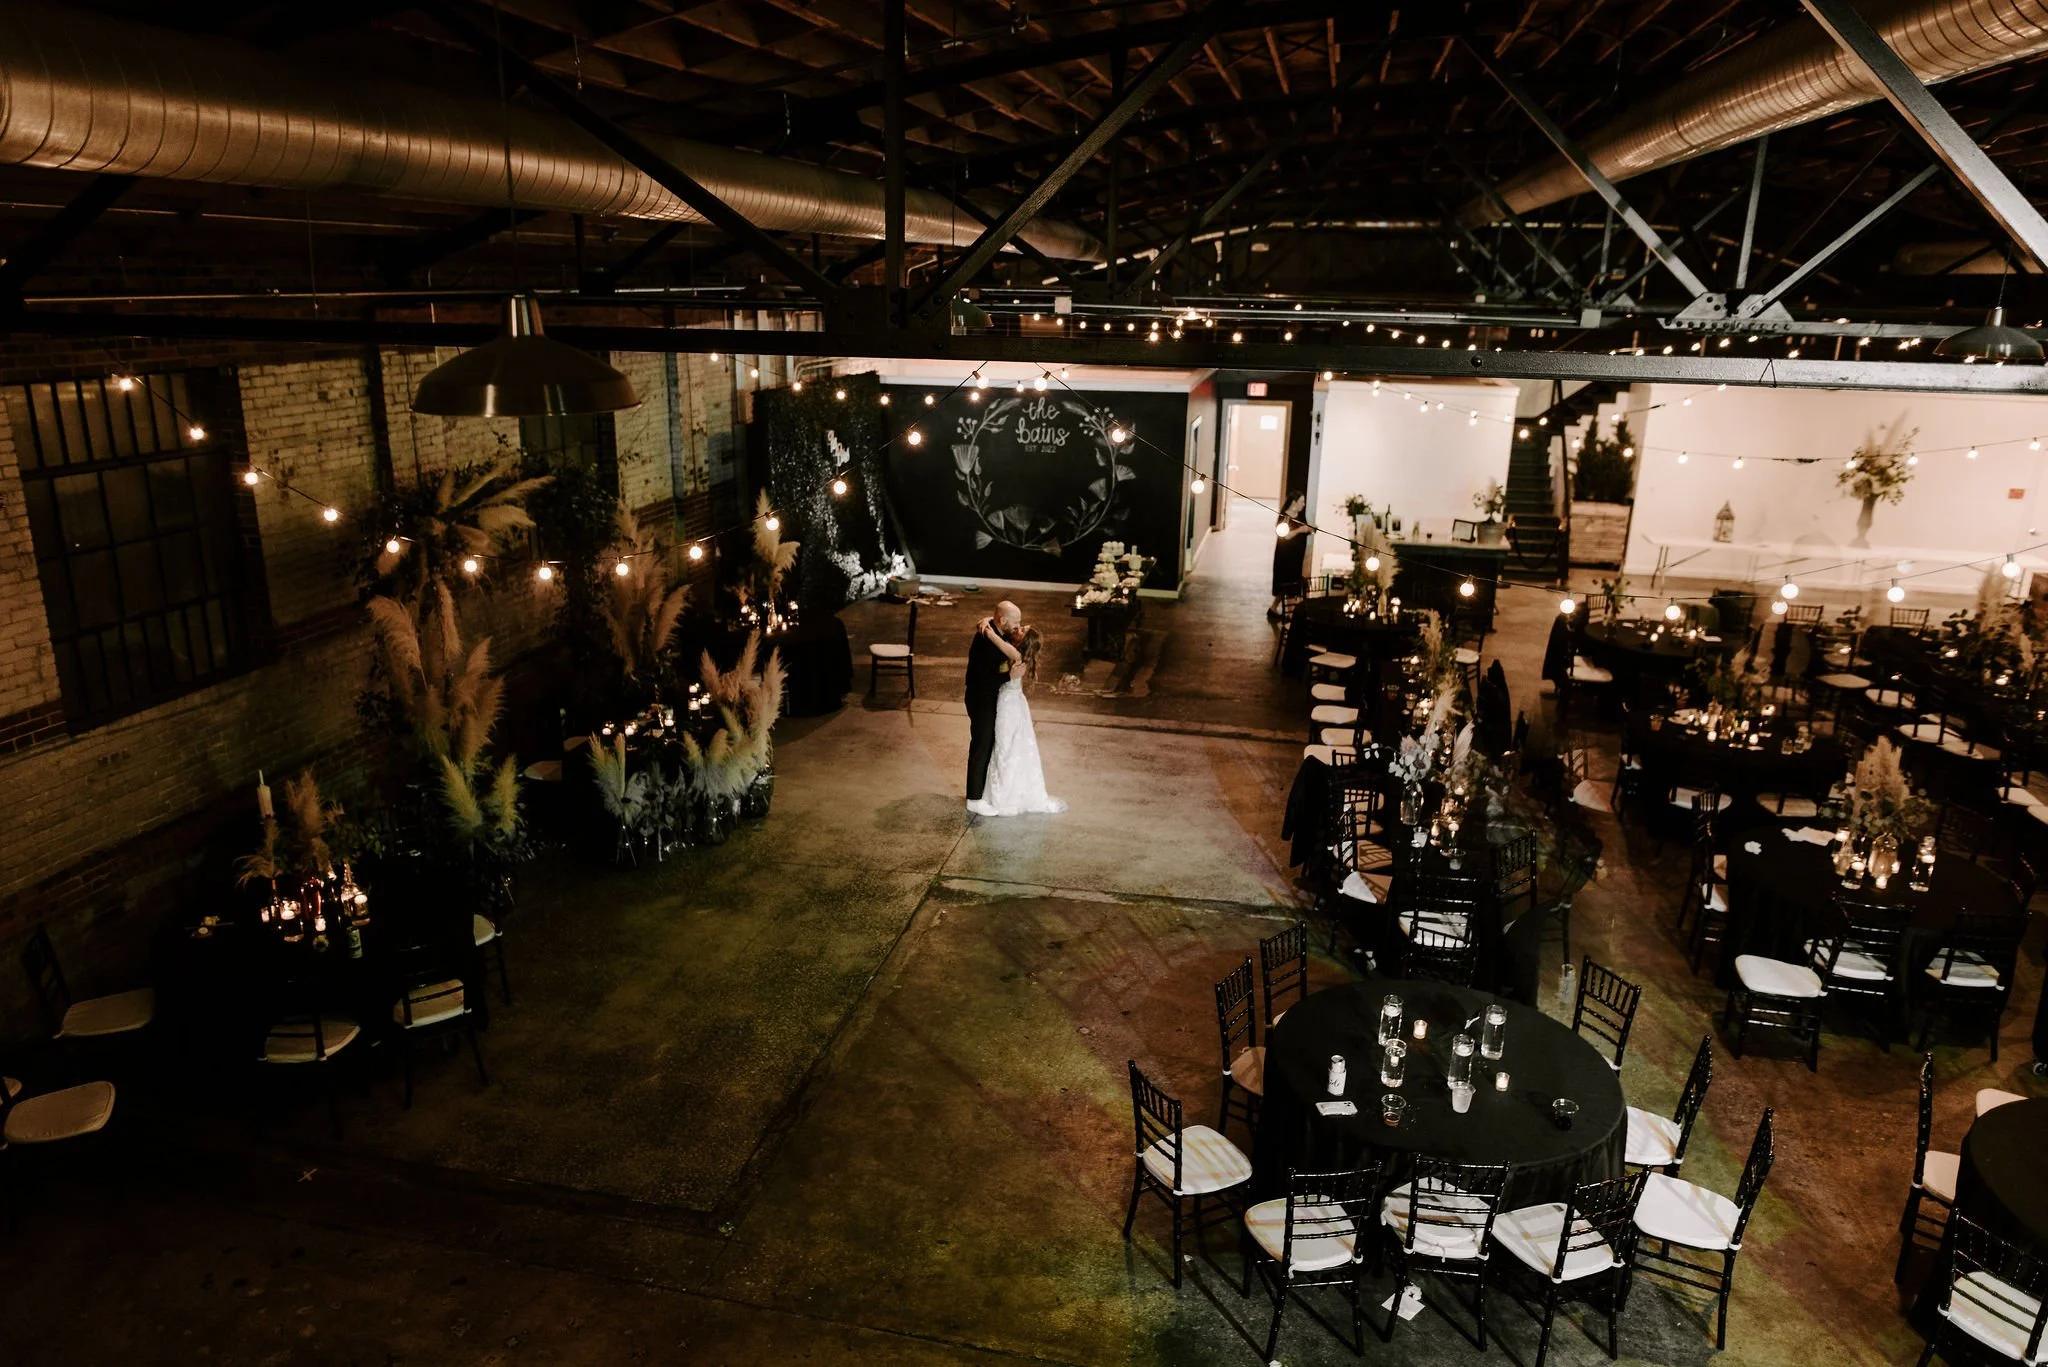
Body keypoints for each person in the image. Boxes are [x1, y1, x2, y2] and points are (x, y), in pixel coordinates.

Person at [966, 616, 1066, 817]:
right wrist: (987, 619)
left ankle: (1003, 793)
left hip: (1009, 707)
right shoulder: (1014, 649)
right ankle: (990, 791)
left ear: (1023, 642)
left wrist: (987, 630)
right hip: (1003, 703)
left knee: (1006, 746)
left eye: (1022, 630)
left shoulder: (1016, 654)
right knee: (1001, 746)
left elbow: (999, 642)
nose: (1018, 628)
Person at [964, 599, 1019, 803]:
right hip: (980, 700)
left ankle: (982, 792)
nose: (1018, 626)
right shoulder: (985, 641)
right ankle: (974, 799)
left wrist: (987, 620)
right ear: (1003, 620)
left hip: (989, 699)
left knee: (988, 747)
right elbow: (981, 679)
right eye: (1016, 622)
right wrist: (1008, 676)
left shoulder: (996, 632)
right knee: (981, 747)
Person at [1269, 492, 1310, 618]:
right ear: (1293, 502)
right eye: (1301, 501)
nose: (1304, 504)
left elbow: (1304, 529)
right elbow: (1284, 535)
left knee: (1287, 586)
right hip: (1286, 557)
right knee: (1289, 586)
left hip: (1296, 557)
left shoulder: (1300, 515)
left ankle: (1273, 609)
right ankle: (1290, 618)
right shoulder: (1285, 517)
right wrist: (1300, 530)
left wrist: (1308, 529)